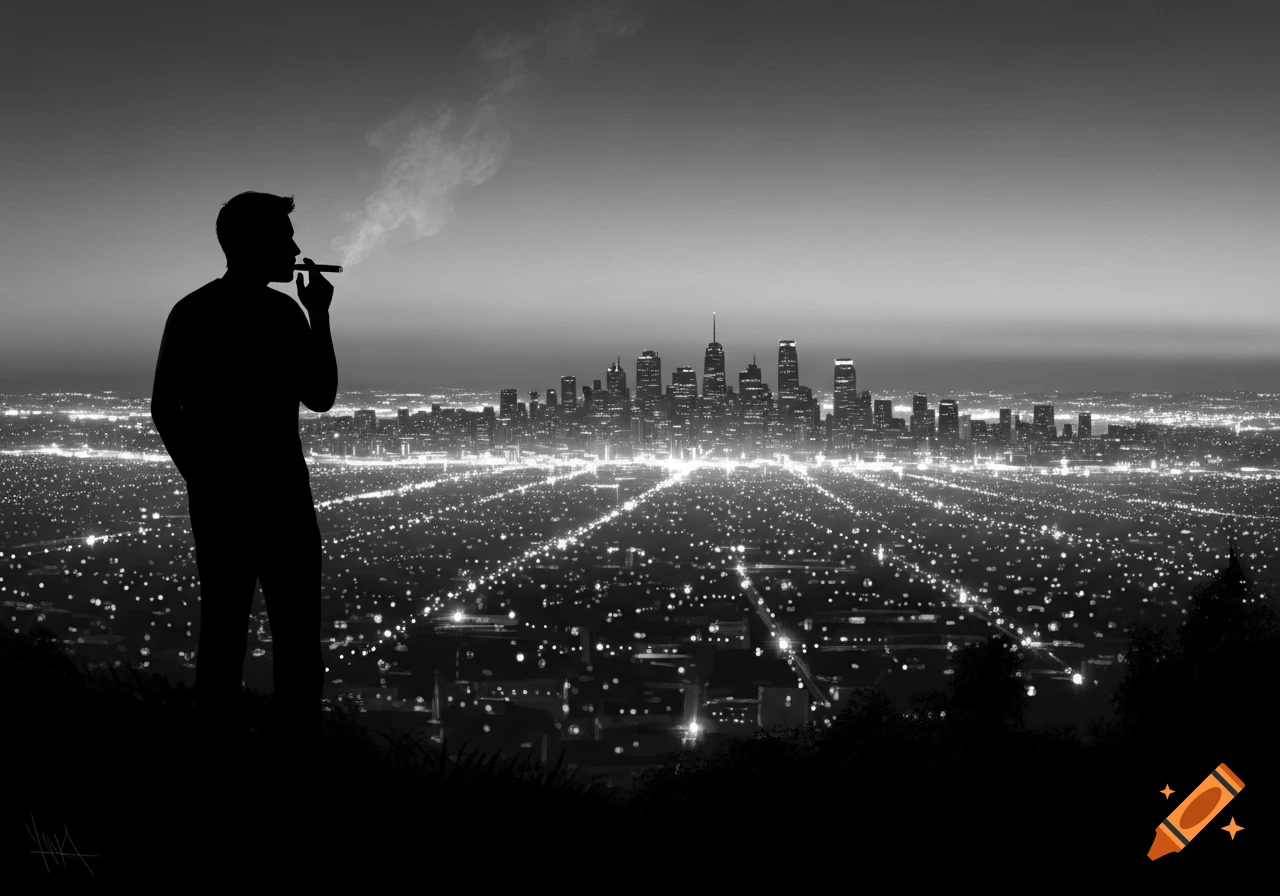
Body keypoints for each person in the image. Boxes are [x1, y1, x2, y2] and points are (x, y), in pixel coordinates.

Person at [150, 192, 338, 778]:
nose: (296, 247)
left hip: (225, 501)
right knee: (295, 631)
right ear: (253, 244)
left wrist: (205, 479)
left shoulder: (193, 311)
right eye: (284, 236)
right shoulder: (283, 315)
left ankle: (217, 756)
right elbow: (322, 396)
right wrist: (319, 315)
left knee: (224, 626)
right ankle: (296, 760)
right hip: (282, 496)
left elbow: (165, 411)